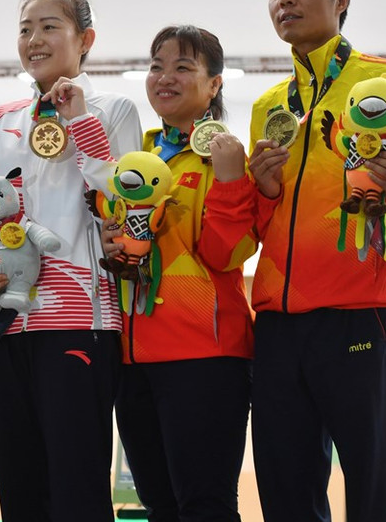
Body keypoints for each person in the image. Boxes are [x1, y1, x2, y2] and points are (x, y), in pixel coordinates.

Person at [0, 0, 142, 521]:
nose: (34, 39)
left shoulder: (113, 108)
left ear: (86, 40)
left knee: (77, 492)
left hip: (77, 324)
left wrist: (80, 121)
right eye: (25, 28)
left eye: (50, 26)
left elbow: (124, 203)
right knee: (19, 491)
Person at [248, 0, 386, 522]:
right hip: (279, 323)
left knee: (371, 488)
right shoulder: (269, 106)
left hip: (359, 312)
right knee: (285, 491)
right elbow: (266, 226)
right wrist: (263, 193)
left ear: (340, 0)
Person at [107, 26, 255, 522]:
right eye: (156, 66)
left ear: (214, 85)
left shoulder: (229, 157)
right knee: (159, 507)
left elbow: (226, 254)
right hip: (132, 356)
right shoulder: (137, 157)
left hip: (204, 355)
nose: (164, 77)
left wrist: (233, 181)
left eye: (183, 67)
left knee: (205, 507)